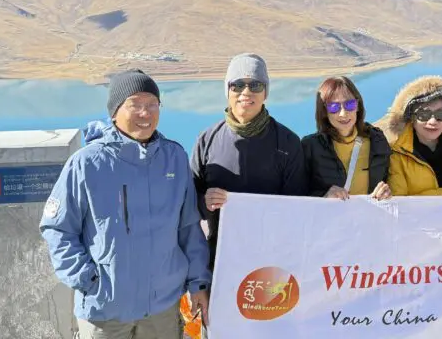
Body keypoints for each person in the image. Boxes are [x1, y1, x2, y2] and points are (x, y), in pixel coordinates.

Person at [40, 69, 210, 339]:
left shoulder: (174, 158)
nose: (145, 113)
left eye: (152, 104)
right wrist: (89, 280)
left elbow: (188, 227)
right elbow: (58, 229)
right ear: (115, 111)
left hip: (162, 309)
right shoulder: (87, 163)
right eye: (136, 105)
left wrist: (198, 283)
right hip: (106, 312)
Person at [190, 53, 308, 269]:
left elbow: (297, 207)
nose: (246, 92)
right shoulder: (207, 139)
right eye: (237, 85)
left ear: (265, 92)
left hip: (273, 262)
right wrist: (204, 202)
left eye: (255, 85)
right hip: (220, 260)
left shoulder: (288, 142)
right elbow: (188, 201)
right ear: (227, 91)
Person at [301, 76, 393, 200]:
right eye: (334, 107)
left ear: (358, 106)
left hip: (367, 217)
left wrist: (386, 192)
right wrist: (324, 196)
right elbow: (297, 192)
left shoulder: (377, 141)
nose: (343, 113)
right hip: (328, 218)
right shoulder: (310, 146)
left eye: (350, 104)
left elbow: (389, 180)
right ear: (324, 111)